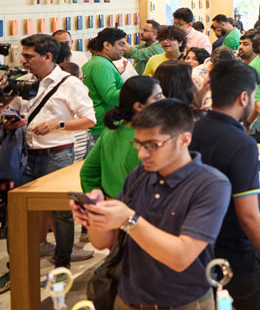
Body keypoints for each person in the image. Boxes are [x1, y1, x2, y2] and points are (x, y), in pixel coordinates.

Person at [71, 99, 231, 310]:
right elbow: (103, 243)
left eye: (153, 145)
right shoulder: (140, 176)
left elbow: (181, 257)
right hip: (126, 302)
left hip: (185, 308)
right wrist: (95, 216)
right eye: (138, 144)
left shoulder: (211, 184)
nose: (141, 154)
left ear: (184, 140)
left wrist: (129, 219)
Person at [191, 60, 260, 310]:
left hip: (199, 249)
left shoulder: (190, 131)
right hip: (237, 252)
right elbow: (249, 215)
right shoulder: (241, 143)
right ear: (243, 97)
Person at [2, 34, 97, 266]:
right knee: (17, 211)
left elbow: (89, 120)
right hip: (26, 155)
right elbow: (14, 112)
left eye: (28, 56)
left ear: (47, 56)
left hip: (58, 155)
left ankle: (62, 263)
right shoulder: (23, 81)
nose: (22, 61)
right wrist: (9, 122)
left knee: (61, 213)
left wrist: (58, 125)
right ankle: (17, 265)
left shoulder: (70, 84)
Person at [81, 76, 163, 198]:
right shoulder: (150, 137)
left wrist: (97, 198)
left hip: (115, 203)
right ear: (139, 106)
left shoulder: (111, 130)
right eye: (158, 97)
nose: (164, 100)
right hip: (139, 206)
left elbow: (88, 172)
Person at [82, 27, 128, 139]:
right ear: (107, 45)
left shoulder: (98, 63)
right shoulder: (101, 65)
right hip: (103, 125)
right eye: (121, 44)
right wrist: (133, 88)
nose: (125, 48)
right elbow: (110, 96)